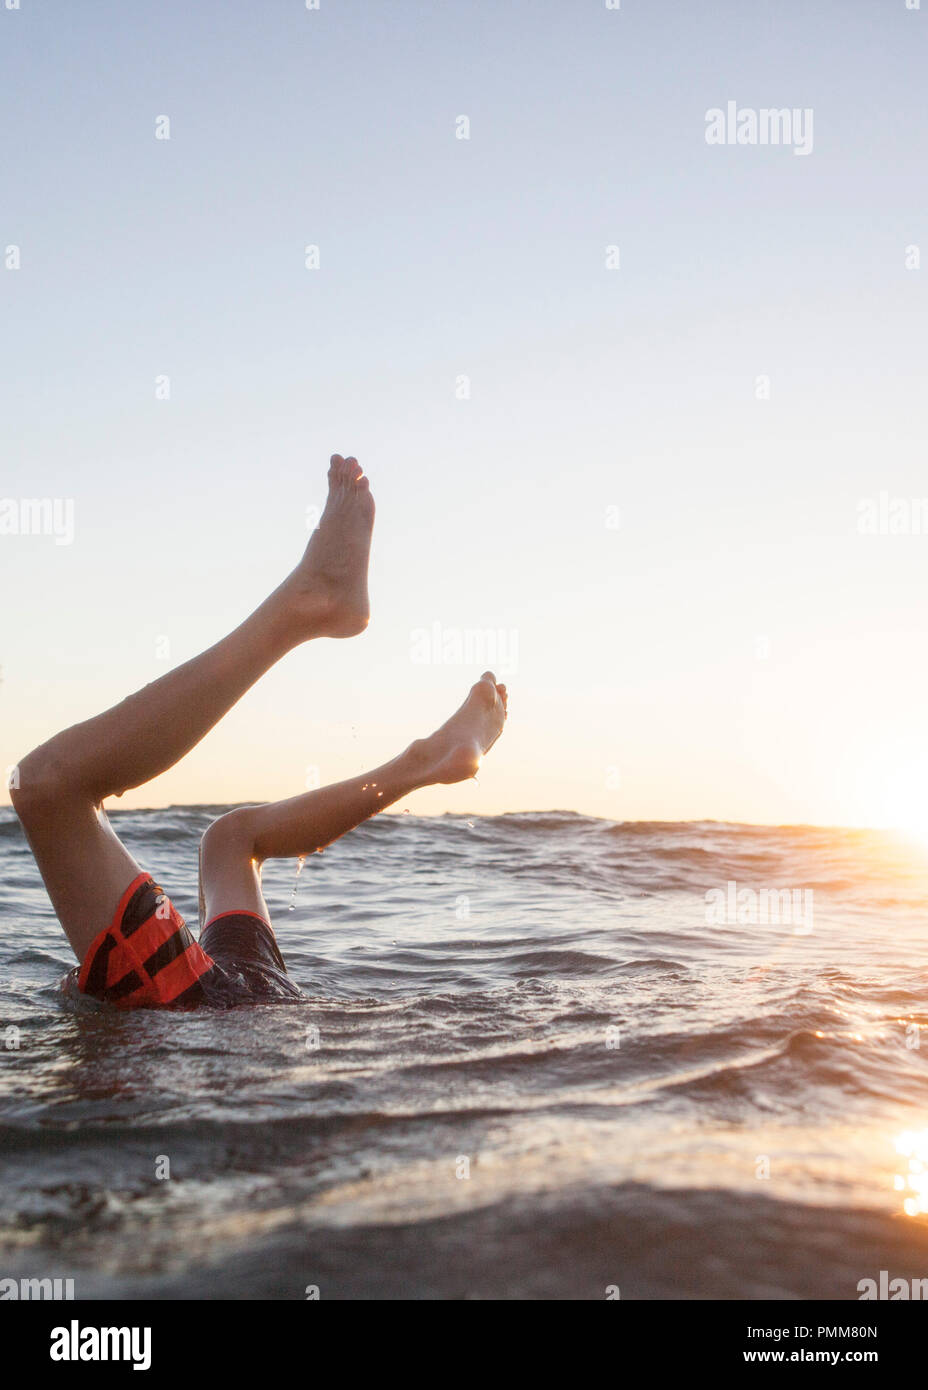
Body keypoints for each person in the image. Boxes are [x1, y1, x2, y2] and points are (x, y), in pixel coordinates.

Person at [9, 455, 508, 1008]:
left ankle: (313, 614)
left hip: (210, 1004)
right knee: (198, 833)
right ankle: (425, 758)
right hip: (233, 996)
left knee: (75, 794)